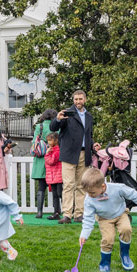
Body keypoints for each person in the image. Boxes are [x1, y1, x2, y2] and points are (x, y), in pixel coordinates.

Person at [78, 168, 137, 272]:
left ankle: (125, 255)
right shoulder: (89, 200)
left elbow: (134, 195)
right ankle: (105, 262)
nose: (90, 195)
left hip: (121, 214)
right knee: (108, 239)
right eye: (88, 193)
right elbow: (88, 219)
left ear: (102, 186)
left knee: (126, 229)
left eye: (92, 192)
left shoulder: (118, 188)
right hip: (104, 219)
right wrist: (84, 234)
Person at [50, 90, 101, 223]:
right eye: (76, 99)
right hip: (68, 154)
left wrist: (92, 145)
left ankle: (79, 214)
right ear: (73, 100)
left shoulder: (89, 116)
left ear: (85, 99)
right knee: (68, 185)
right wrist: (57, 119)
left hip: (84, 153)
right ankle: (67, 214)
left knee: (81, 185)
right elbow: (53, 128)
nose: (78, 101)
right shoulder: (67, 114)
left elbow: (88, 135)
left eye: (80, 99)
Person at [31, 109, 56, 218]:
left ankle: (39, 212)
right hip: (53, 158)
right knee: (55, 187)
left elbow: (34, 142)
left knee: (41, 187)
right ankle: (57, 212)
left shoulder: (39, 127)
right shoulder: (56, 127)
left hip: (41, 160)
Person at [44, 132, 63, 220]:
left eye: (50, 140)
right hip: (53, 176)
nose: (48, 142)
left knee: (60, 194)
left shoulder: (57, 150)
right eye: (48, 140)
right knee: (55, 195)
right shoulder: (52, 150)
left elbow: (51, 161)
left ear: (56, 140)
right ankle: (56, 212)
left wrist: (47, 154)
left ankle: (68, 210)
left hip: (58, 176)